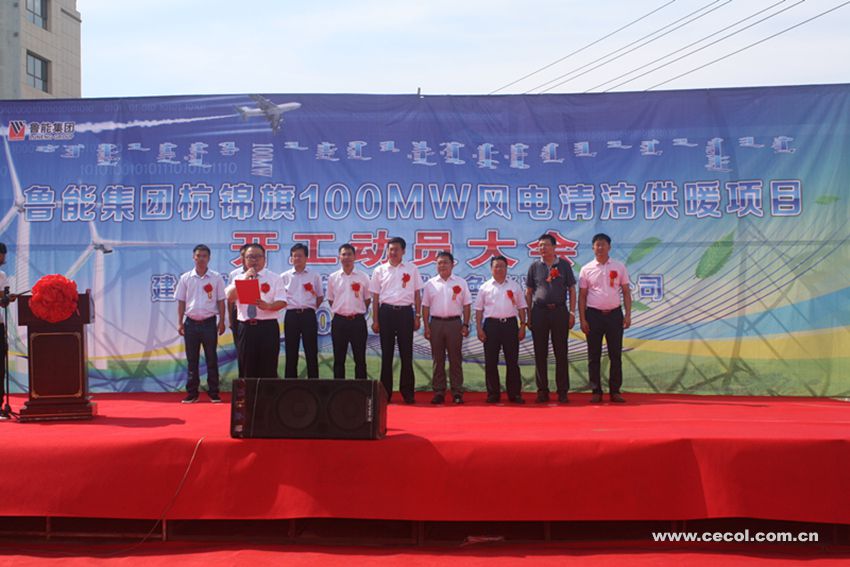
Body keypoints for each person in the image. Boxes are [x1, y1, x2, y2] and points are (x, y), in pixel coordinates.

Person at [579, 233, 631, 404]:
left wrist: (628, 314)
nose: (600, 248)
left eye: (603, 244)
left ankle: (615, 391)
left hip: (614, 315)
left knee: (615, 354)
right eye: (597, 245)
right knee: (593, 355)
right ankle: (596, 391)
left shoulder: (619, 267)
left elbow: (626, 292)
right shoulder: (586, 269)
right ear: (592, 248)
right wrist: (583, 319)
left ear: (609, 247)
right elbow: (582, 296)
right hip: (593, 315)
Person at [370, 236, 422, 403]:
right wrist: (375, 320)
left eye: (396, 249)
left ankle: (408, 393)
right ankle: (385, 394)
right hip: (386, 313)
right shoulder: (379, 270)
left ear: (403, 251)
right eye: (390, 249)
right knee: (387, 355)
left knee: (407, 354)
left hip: (405, 313)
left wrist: (417, 316)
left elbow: (417, 294)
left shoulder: (412, 269)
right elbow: (375, 298)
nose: (393, 252)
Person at [526, 233, 576, 403]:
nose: (543, 248)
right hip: (539, 312)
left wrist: (572, 313)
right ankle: (542, 390)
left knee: (561, 352)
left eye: (546, 245)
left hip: (559, 312)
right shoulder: (534, 267)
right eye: (540, 245)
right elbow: (529, 292)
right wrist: (529, 315)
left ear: (554, 247)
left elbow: (572, 289)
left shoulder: (564, 265)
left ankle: (562, 391)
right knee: (540, 353)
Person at [225, 243, 286, 378]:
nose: (254, 260)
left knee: (268, 368)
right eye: (250, 257)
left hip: (268, 328)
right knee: (247, 367)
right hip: (246, 328)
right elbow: (230, 297)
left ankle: (267, 393)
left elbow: (282, 301)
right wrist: (245, 278)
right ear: (244, 260)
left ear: (265, 259)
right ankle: (249, 393)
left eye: (258, 256)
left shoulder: (274, 278)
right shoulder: (238, 278)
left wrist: (268, 306)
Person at [176, 245, 226, 403]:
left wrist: (222, 321)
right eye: (198, 256)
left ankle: (214, 392)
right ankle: (192, 393)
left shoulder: (216, 277)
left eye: (204, 256)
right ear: (193, 257)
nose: (201, 258)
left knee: (211, 358)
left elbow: (221, 301)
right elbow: (181, 301)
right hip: (190, 324)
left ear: (209, 258)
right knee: (192, 360)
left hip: (209, 323)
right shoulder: (186, 278)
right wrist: (180, 323)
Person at [474, 255, 528, 404]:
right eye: (496, 266)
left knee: (512, 361)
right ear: (491, 269)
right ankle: (493, 393)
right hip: (491, 326)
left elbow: (522, 307)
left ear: (507, 268)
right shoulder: (485, 287)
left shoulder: (514, 286)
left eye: (502, 266)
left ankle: (514, 394)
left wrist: (523, 326)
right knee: (491, 361)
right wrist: (479, 328)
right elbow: (478, 309)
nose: (499, 269)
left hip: (510, 325)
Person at [422, 251, 471, 405]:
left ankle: (457, 392)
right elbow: (425, 306)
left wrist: (465, 324)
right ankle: (439, 392)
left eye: (445, 262)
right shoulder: (430, 284)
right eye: (439, 263)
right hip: (436, 324)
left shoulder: (461, 282)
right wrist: (426, 326)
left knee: (455, 359)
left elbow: (467, 305)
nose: (442, 265)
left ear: (452, 264)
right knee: (438, 359)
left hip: (454, 324)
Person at [326, 244, 371, 380]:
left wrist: (355, 310)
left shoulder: (363, 277)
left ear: (354, 257)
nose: (346, 257)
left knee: (360, 359)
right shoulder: (333, 277)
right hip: (339, 322)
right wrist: (342, 311)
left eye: (349, 254)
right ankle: (339, 389)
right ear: (339, 257)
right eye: (343, 254)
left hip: (357, 322)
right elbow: (331, 300)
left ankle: (361, 390)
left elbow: (367, 299)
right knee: (339, 360)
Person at [281, 243, 323, 379]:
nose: (297, 259)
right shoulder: (284, 276)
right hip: (291, 315)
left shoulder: (314, 275)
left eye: (300, 256)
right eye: (294, 256)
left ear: (306, 258)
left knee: (311, 351)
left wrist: (310, 308)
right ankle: (290, 384)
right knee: (291, 351)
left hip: (308, 315)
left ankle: (313, 383)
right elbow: (280, 297)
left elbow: (320, 296)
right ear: (291, 258)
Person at [0, 243, 16, 420]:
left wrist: (7, 299)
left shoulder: (2, 275)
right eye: (2, 254)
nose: (3, 258)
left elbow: (3, 300)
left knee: (0, 368)